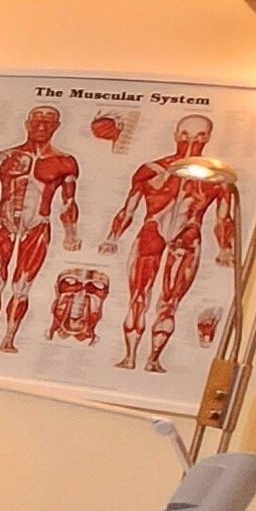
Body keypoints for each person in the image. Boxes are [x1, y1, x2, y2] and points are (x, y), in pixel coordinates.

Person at [105, 113, 241, 374]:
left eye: (199, 136)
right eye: (185, 135)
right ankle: (130, 357)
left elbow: (224, 218)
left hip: (187, 236)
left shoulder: (217, 178)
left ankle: (153, 359)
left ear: (208, 138)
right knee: (138, 298)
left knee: (169, 303)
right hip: (152, 231)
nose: (191, 141)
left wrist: (226, 249)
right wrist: (112, 238)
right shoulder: (151, 170)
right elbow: (129, 208)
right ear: (176, 135)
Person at [0, 104, 80, 353]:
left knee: (22, 287)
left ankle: (9, 339)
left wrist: (71, 234)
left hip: (37, 227)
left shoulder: (64, 162)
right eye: (37, 121)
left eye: (48, 122)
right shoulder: (4, 157)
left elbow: (68, 201)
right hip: (3, 224)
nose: (41, 126)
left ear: (57, 127)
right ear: (27, 124)